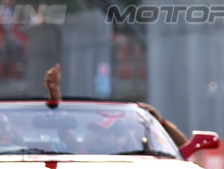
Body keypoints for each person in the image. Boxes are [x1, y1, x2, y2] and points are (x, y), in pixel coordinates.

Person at [44, 63, 188, 149]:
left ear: (121, 138)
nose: (97, 137)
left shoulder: (147, 157)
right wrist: (54, 91)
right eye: (98, 132)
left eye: (105, 133)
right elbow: (64, 130)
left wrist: (160, 122)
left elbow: (183, 147)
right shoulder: (85, 156)